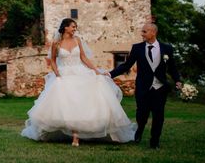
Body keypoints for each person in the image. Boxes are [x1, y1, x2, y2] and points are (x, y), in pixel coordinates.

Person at [21, 18, 135, 146]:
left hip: (80, 72)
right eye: (73, 26)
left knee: (83, 102)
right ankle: (75, 136)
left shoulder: (77, 40)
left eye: (75, 27)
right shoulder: (56, 43)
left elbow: (83, 57)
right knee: (68, 105)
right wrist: (57, 74)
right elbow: (52, 60)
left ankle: (82, 134)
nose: (75, 29)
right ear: (65, 27)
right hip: (64, 74)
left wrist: (95, 70)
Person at [110, 22, 181, 149]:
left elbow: (172, 67)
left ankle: (155, 142)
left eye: (144, 31)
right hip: (143, 87)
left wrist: (177, 80)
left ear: (153, 32)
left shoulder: (167, 48)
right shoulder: (137, 48)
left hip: (160, 88)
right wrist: (110, 74)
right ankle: (139, 131)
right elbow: (126, 66)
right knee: (141, 114)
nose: (142, 33)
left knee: (159, 116)